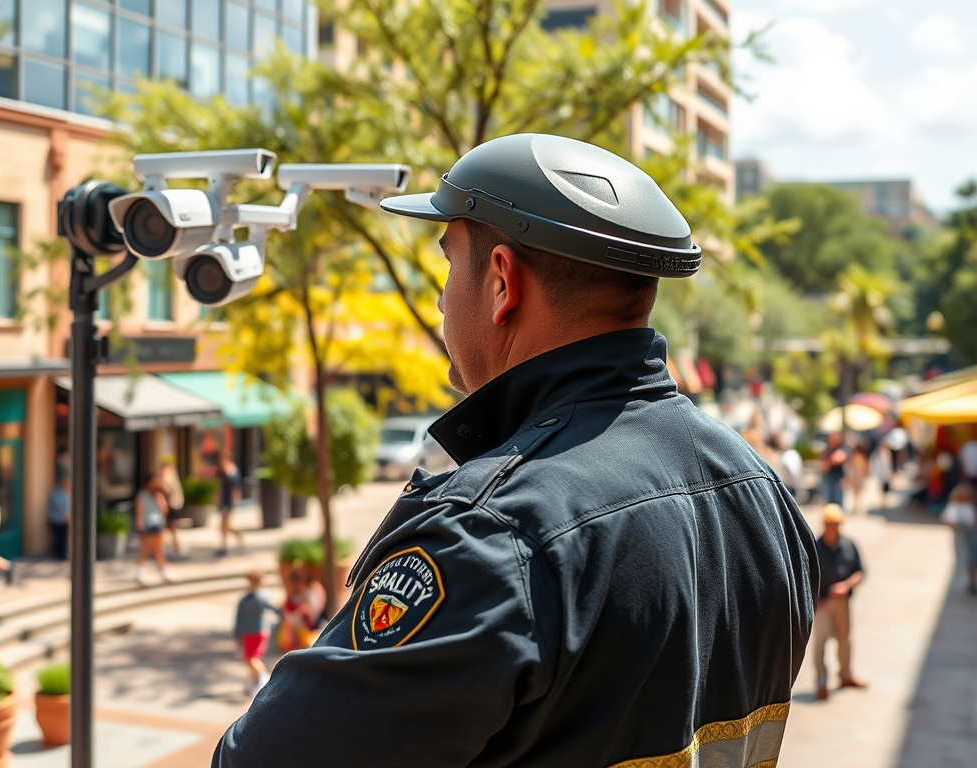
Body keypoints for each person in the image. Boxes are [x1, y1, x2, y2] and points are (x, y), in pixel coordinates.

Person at [213, 134, 818, 767]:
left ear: (502, 281)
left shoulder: (493, 537)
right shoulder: (761, 494)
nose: (444, 300)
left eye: (449, 267)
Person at [813, 503, 867, 700]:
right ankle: (821, 682)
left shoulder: (848, 545)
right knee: (820, 643)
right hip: (822, 603)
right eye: (829, 524)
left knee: (844, 640)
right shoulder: (815, 547)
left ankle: (846, 675)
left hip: (842, 601)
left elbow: (860, 572)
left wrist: (846, 585)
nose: (832, 528)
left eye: (835, 524)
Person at [234, 570, 281, 695]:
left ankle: (262, 678)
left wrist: (237, 634)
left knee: (250, 657)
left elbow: (239, 618)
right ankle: (253, 682)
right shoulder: (257, 597)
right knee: (251, 657)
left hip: (254, 632)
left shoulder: (252, 598)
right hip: (256, 631)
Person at [133, 473, 175, 585]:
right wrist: (139, 526)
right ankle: (140, 571)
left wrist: (162, 502)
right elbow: (139, 512)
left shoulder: (158, 495)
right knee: (147, 549)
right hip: (148, 525)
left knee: (158, 550)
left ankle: (163, 571)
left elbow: (164, 511)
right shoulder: (142, 496)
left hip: (158, 524)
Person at [276, 562, 327, 653]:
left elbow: (314, 611)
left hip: (310, 625)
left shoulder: (313, 591)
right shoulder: (294, 593)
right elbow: (286, 608)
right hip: (296, 626)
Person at [941, 481, 977, 595]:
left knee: (971, 560)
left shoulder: (970, 507)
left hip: (971, 537)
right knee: (966, 559)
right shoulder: (954, 507)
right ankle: (970, 582)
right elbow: (949, 520)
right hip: (962, 538)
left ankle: (972, 581)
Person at [216, 451, 244, 557]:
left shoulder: (233, 471)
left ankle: (224, 546)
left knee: (224, 525)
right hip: (224, 500)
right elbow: (220, 486)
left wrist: (235, 501)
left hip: (229, 501)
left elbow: (235, 488)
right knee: (223, 526)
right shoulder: (223, 471)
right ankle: (224, 545)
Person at [158, 461, 186, 560]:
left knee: (171, 528)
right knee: (169, 528)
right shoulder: (172, 478)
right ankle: (173, 549)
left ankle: (176, 549)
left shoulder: (168, 478)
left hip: (171, 506)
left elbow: (167, 492)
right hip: (172, 506)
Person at [46, 468, 71, 561]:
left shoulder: (66, 492)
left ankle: (61, 552)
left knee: (62, 537)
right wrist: (67, 516)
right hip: (57, 520)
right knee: (60, 537)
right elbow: (60, 508)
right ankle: (59, 553)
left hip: (63, 519)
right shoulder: (57, 493)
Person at [821, 432, 848, 507]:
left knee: (838, 501)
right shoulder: (828, 450)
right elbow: (824, 466)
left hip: (838, 479)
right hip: (829, 479)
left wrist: (830, 461)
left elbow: (839, 458)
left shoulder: (842, 449)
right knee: (829, 501)